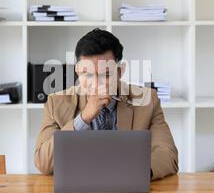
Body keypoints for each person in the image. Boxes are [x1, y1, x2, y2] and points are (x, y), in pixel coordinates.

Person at [34, 28, 179, 180]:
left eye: (106, 74)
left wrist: (137, 173)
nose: (96, 84)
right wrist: (82, 119)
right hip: (78, 190)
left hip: (128, 188)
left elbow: (168, 155)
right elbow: (43, 163)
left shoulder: (147, 101)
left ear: (120, 71)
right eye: (87, 74)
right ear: (77, 71)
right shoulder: (56, 103)